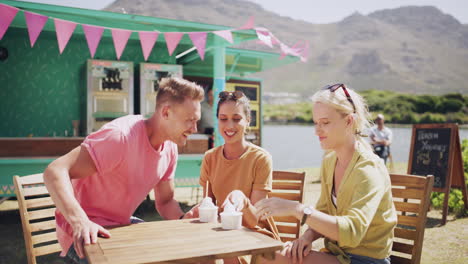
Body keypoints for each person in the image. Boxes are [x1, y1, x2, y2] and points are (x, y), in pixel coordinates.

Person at [43, 77, 204, 263]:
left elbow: (166, 201)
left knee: (182, 257)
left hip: (120, 225)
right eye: (190, 121)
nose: (194, 128)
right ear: (166, 112)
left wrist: (184, 217)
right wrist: (80, 222)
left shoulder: (170, 148)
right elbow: (55, 171)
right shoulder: (120, 137)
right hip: (83, 233)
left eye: (196, 121)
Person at [255, 84, 397, 264]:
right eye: (316, 123)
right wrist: (306, 238)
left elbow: (352, 232)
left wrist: (297, 209)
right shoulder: (330, 161)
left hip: (366, 260)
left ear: (349, 121)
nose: (317, 130)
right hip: (336, 255)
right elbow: (323, 211)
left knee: (270, 257)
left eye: (325, 122)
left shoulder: (368, 169)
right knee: (264, 254)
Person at [189, 90, 280, 264]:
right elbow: (208, 209)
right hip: (223, 234)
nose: (229, 125)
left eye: (237, 119)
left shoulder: (260, 158)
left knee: (224, 249)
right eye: (223, 119)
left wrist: (243, 201)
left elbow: (255, 220)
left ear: (248, 121)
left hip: (255, 236)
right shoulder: (210, 157)